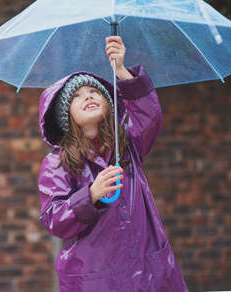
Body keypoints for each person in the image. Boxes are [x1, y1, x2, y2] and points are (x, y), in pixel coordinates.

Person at [37, 36, 189, 291]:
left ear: (108, 104)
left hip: (148, 271)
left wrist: (121, 71)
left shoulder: (127, 144)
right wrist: (91, 195)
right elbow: (53, 218)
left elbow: (149, 116)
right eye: (77, 96)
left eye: (95, 91)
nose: (88, 96)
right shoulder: (57, 162)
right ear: (66, 116)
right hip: (95, 278)